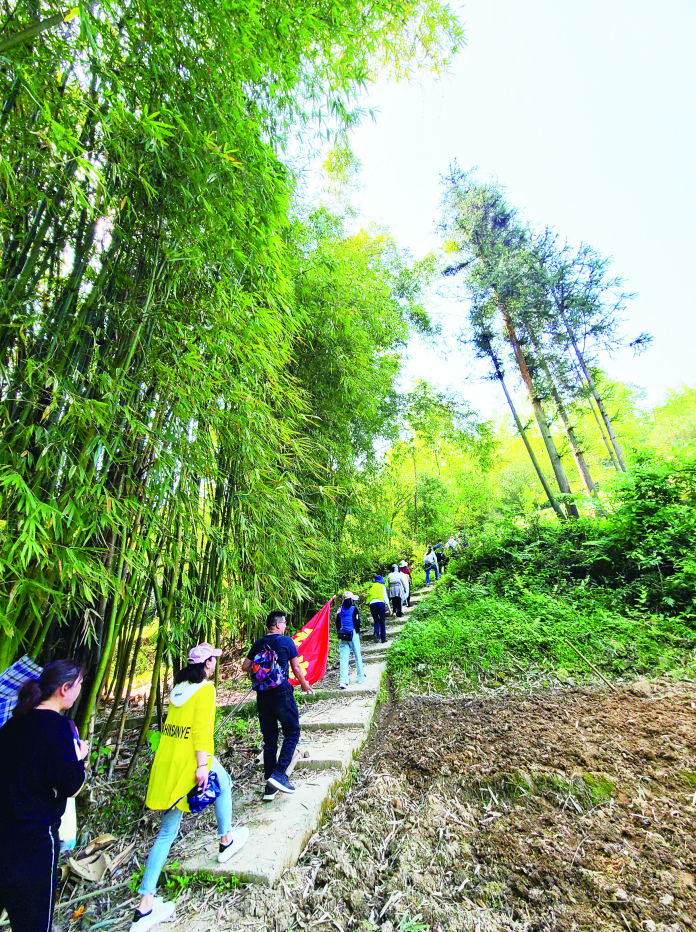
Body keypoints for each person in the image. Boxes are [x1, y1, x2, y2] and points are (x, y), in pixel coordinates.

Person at [133, 643, 247, 932]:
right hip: (191, 762)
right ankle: (226, 841)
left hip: (168, 763)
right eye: (213, 660)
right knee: (224, 784)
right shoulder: (205, 690)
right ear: (207, 664)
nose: (215, 664)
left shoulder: (179, 688)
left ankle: (145, 904)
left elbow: (176, 730)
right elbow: (200, 732)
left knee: (167, 831)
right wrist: (201, 766)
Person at [0, 659, 88, 932]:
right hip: (35, 845)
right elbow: (72, 787)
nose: (80, 691)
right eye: (79, 684)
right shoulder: (58, 728)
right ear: (64, 688)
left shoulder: (11, 725)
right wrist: (79, 758)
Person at [242, 611, 313, 802]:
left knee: (270, 739)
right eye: (285, 623)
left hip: (263, 695)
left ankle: (269, 786)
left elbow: (245, 666)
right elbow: (296, 667)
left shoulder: (259, 643)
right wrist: (304, 684)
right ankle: (280, 773)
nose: (286, 626)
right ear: (279, 624)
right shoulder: (286, 642)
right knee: (292, 732)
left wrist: (262, 668)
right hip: (281, 692)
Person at [335, 592, 366, 689]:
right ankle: (360, 677)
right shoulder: (354, 609)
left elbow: (337, 624)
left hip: (343, 635)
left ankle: (343, 682)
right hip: (352, 634)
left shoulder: (339, 610)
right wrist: (357, 632)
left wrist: (340, 632)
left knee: (343, 658)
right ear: (351, 600)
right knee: (357, 655)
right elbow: (357, 622)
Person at [368, 575, 391, 644]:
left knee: (376, 621)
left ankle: (376, 634)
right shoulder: (382, 587)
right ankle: (383, 638)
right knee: (382, 621)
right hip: (380, 604)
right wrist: (390, 609)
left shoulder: (371, 587)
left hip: (372, 604)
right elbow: (385, 598)